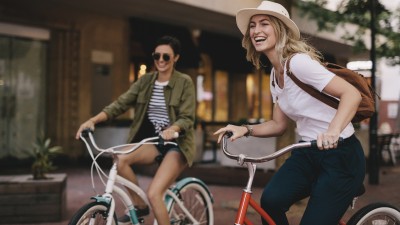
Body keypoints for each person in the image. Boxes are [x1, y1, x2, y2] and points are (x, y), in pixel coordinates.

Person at [214, 1, 366, 225]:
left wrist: (333, 131)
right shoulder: (276, 76)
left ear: (280, 29)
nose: (256, 30)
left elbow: (352, 95)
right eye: (253, 26)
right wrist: (245, 129)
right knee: (271, 201)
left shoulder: (299, 64)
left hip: (340, 154)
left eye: (264, 24)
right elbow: (278, 124)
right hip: (307, 152)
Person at [75, 35, 196, 225]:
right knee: (120, 159)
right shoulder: (145, 81)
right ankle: (139, 205)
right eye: (157, 56)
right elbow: (120, 104)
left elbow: (187, 117)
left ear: (176, 58)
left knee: (155, 194)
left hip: (176, 144)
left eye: (166, 56)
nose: (161, 61)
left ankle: (151, 204)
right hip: (154, 142)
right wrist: (92, 120)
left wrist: (173, 129)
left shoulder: (184, 82)